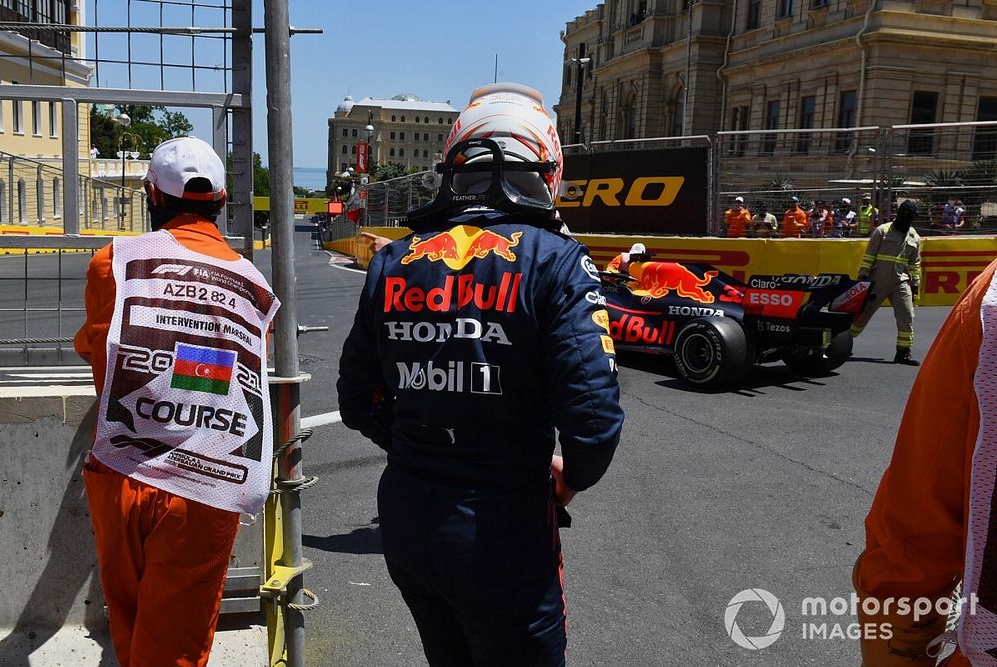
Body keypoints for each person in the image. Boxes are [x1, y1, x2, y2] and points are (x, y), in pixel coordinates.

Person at [337, 82, 625, 665]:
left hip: (407, 520)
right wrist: (567, 481)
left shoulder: (395, 257)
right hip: (503, 529)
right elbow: (593, 424)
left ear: (456, 163)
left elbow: (354, 397)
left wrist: (421, 446)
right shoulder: (557, 259)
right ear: (547, 170)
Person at [73, 137, 280, 667]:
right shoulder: (255, 288)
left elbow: (94, 349)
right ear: (222, 201)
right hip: (205, 485)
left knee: (130, 624)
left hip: (119, 471)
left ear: (152, 196)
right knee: (174, 647)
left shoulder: (112, 262)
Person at [853, 256, 997, 667]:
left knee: (906, 315)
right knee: (869, 312)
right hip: (881, 281)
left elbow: (912, 535)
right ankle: (854, 334)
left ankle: (896, 347)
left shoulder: (990, 311)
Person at [850, 199, 922, 365]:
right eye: (903, 215)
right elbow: (869, 256)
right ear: (898, 214)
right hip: (877, 280)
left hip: (900, 282)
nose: (905, 218)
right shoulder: (882, 231)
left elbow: (914, 264)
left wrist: (915, 285)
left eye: (909, 216)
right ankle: (841, 342)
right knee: (861, 316)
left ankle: (903, 353)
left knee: (907, 315)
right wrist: (863, 277)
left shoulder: (914, 237)